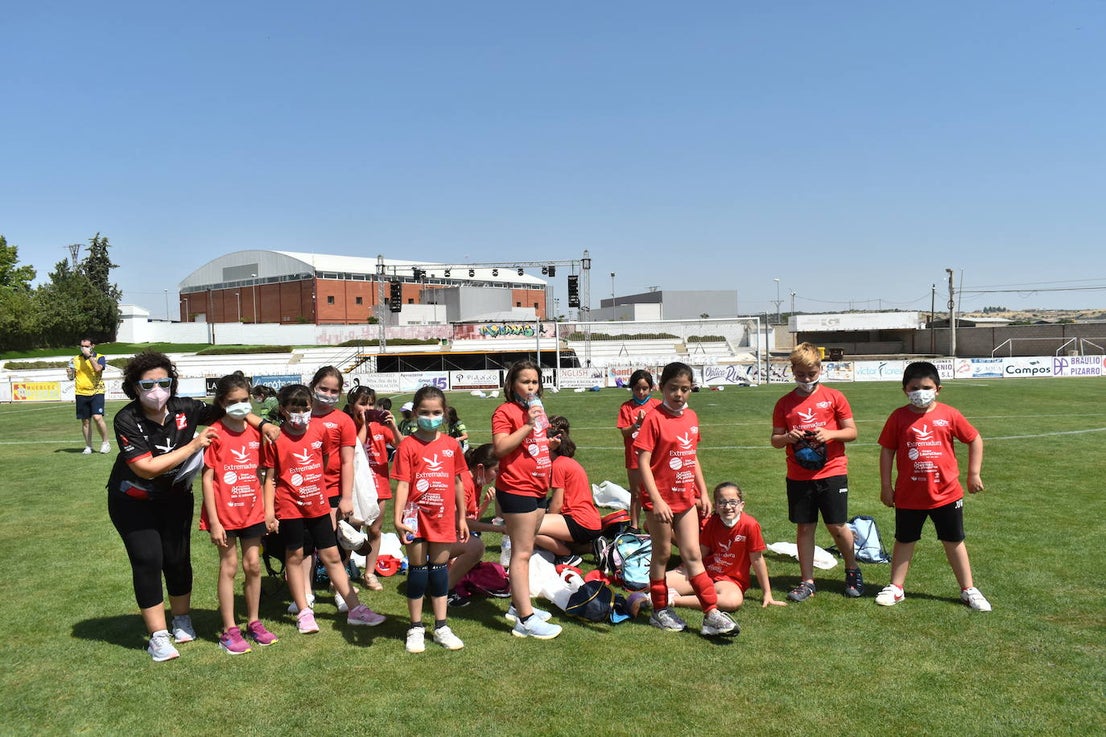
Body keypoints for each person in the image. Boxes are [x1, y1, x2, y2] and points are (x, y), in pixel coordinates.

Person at [106, 351, 280, 662]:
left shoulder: (184, 407)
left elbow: (229, 409)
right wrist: (192, 445)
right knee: (148, 559)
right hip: (134, 500)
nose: (157, 390)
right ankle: (158, 636)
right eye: (148, 384)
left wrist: (263, 423)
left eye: (164, 382)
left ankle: (182, 620)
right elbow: (146, 468)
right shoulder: (127, 419)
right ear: (134, 387)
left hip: (175, 497)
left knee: (176, 559)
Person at [261, 384, 386, 634]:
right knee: (295, 557)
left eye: (304, 408)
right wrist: (269, 512)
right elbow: (271, 478)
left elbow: (325, 463)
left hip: (318, 505)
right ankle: (304, 611)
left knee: (332, 556)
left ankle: (355, 610)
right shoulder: (274, 438)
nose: (300, 413)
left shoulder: (319, 431)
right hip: (290, 508)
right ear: (283, 411)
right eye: (293, 409)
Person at [875, 361, 992, 611]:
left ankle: (968, 589)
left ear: (938, 389)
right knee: (904, 540)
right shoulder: (898, 417)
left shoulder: (949, 414)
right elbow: (887, 451)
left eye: (926, 387)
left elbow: (974, 439)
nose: (920, 392)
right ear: (905, 389)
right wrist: (886, 486)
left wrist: (973, 474)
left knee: (954, 541)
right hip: (909, 495)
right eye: (914, 387)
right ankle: (896, 588)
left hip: (947, 494)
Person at [634, 361, 738, 637]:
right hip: (660, 501)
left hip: (685, 498)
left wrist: (702, 492)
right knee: (663, 554)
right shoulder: (654, 418)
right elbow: (643, 461)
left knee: (693, 555)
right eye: (673, 388)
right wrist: (656, 500)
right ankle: (659, 611)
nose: (679, 394)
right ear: (661, 387)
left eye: (685, 389)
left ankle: (711, 613)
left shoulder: (691, 417)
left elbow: (691, 458)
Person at [770, 342, 863, 602]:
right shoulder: (784, 403)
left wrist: (830, 434)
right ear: (793, 371)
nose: (806, 379)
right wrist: (789, 437)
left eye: (811, 374)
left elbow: (852, 432)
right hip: (799, 475)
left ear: (820, 369)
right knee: (804, 528)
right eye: (800, 374)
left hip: (832, 470)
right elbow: (775, 440)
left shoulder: (835, 397)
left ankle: (852, 569)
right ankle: (807, 581)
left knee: (837, 525)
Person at [200, 373, 278, 654]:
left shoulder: (258, 432)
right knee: (229, 567)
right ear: (222, 402)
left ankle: (254, 622)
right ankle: (229, 629)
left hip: (253, 512)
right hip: (225, 514)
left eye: (245, 400)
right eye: (234, 402)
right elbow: (207, 479)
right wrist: (215, 522)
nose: (241, 406)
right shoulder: (214, 433)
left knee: (254, 565)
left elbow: (268, 474)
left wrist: (268, 511)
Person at [392, 385, 469, 652]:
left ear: (445, 413)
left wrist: (461, 517)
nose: (430, 416)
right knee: (417, 573)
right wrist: (398, 516)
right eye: (424, 412)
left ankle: (441, 626)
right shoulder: (408, 446)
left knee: (438, 573)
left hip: (444, 518)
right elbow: (402, 484)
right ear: (414, 413)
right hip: (414, 519)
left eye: (436, 412)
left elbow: (458, 482)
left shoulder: (451, 445)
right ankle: (414, 627)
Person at [491, 360, 562, 639]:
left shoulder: (536, 410)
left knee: (527, 549)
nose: (531, 386)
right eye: (525, 381)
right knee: (521, 553)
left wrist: (548, 442)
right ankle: (525, 619)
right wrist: (528, 425)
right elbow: (500, 447)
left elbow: (535, 442)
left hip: (538, 487)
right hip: (516, 488)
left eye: (534, 382)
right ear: (512, 384)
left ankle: (516, 605)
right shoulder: (505, 411)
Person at [664, 482, 786, 612]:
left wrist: (767, 593)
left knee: (732, 601)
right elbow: (702, 551)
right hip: (703, 573)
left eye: (733, 502)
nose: (728, 507)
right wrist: (685, 567)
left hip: (729, 581)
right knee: (651, 584)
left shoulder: (750, 525)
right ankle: (649, 596)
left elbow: (757, 560)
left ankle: (673, 600)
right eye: (722, 502)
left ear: (741, 505)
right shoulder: (712, 522)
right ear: (716, 506)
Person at [306, 366, 359, 611]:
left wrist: (346, 497)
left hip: (333, 492)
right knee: (304, 546)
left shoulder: (343, 420)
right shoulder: (300, 414)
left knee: (336, 545)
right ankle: (305, 594)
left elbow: (348, 461)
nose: (328, 394)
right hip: (303, 491)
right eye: (323, 388)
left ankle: (339, 590)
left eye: (334, 391)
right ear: (313, 385)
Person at [344, 385, 399, 591]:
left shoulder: (381, 427)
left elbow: (403, 448)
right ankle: (340, 574)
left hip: (379, 486)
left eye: (370, 404)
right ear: (352, 406)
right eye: (362, 403)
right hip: (355, 488)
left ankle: (369, 573)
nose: (367, 408)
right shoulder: (348, 426)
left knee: (375, 531)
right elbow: (356, 448)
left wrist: (393, 427)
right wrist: (366, 424)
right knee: (352, 532)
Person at [446, 443, 506, 607]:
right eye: (496, 470)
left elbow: (470, 521)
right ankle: (445, 591)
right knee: (475, 547)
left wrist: (486, 504)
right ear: (481, 467)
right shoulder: (464, 482)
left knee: (474, 547)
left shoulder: (476, 482)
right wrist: (500, 529)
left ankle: (445, 581)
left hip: (452, 534)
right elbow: (461, 523)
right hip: (438, 539)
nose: (497, 475)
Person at [535, 435, 602, 566]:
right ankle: (590, 547)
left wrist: (548, 524)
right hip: (590, 521)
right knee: (539, 529)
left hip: (579, 520)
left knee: (530, 527)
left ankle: (567, 556)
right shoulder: (569, 462)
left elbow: (557, 503)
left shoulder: (558, 465)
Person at [617, 369, 660, 531]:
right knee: (636, 494)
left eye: (645, 388)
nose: (641, 392)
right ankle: (634, 526)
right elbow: (624, 432)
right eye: (637, 388)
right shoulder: (626, 407)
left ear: (651, 388)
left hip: (655, 457)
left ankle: (658, 523)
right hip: (634, 456)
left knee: (655, 492)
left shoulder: (656, 405)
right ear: (632, 388)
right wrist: (638, 424)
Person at [68, 337, 111, 454]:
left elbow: (98, 369)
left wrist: (89, 357)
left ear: (92, 346)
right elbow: (71, 377)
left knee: (97, 417)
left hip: (97, 391)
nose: (84, 348)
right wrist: (69, 372)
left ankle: (105, 442)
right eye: (82, 346)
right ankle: (88, 446)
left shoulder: (100, 357)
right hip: (81, 392)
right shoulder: (75, 359)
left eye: (87, 346)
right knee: (85, 421)